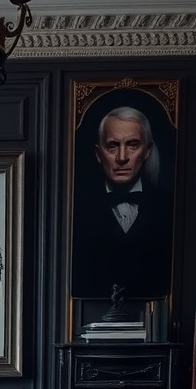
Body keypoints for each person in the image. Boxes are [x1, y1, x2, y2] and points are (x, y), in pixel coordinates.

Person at [71, 106, 174, 300]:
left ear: (147, 151)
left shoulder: (172, 207)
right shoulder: (73, 208)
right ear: (98, 153)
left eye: (133, 144)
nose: (122, 157)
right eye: (112, 145)